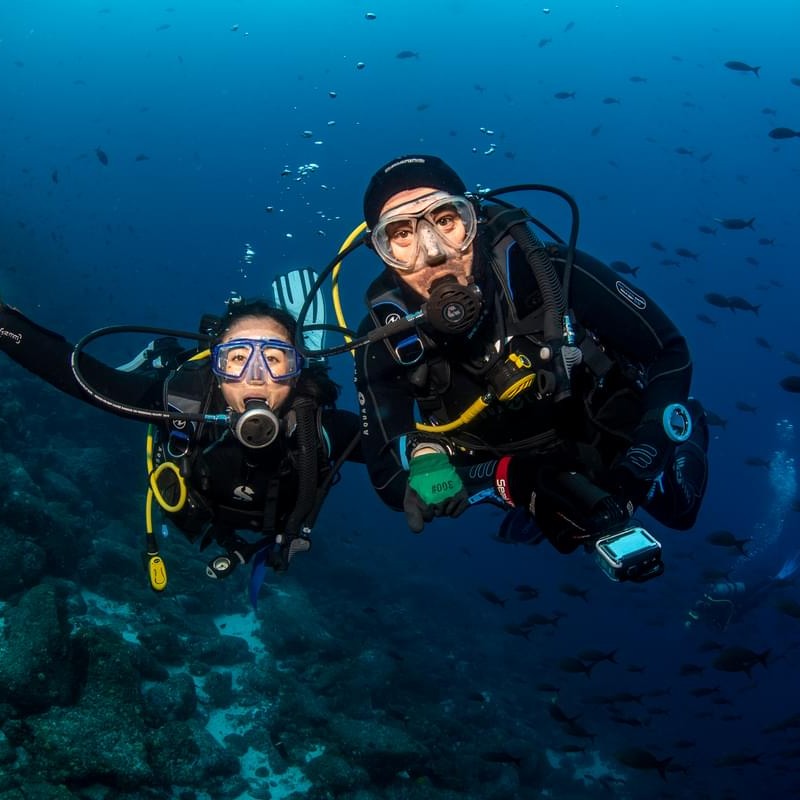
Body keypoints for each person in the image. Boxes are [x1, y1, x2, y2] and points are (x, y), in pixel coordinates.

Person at [345, 154, 709, 563]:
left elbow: (668, 351)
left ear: (475, 221)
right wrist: (493, 478)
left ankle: (679, 440)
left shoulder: (548, 272)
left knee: (678, 513)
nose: (433, 253)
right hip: (511, 470)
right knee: (569, 526)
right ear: (382, 254)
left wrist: (645, 453)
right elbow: (389, 475)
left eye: (446, 220)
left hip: (611, 434)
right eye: (400, 234)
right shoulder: (384, 340)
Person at [0, 269, 362, 604]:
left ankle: (307, 349)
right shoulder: (183, 404)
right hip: (207, 519)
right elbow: (83, 378)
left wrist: (420, 451)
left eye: (275, 358)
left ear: (294, 373)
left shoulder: (318, 428)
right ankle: (163, 356)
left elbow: (396, 444)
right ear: (216, 370)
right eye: (236, 357)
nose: (255, 377)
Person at [685, 550, 800, 631]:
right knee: (757, 588)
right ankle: (774, 581)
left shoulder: (710, 606)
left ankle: (776, 582)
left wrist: (723, 623)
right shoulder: (705, 602)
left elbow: (728, 605)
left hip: (740, 603)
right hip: (740, 591)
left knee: (759, 596)